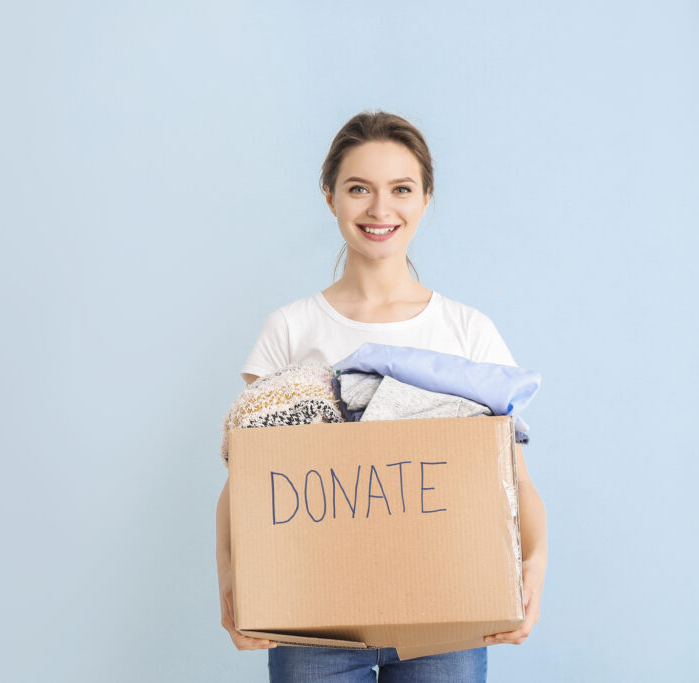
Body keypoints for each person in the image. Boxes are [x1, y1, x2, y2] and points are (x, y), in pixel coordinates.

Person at [216, 111, 548, 682]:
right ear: (330, 198)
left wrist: (533, 569)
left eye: (401, 189)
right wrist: (231, 584)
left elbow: (512, 478)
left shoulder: (467, 331)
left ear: (425, 200)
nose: (379, 209)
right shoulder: (290, 330)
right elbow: (248, 480)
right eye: (358, 189)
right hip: (313, 621)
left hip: (447, 613)